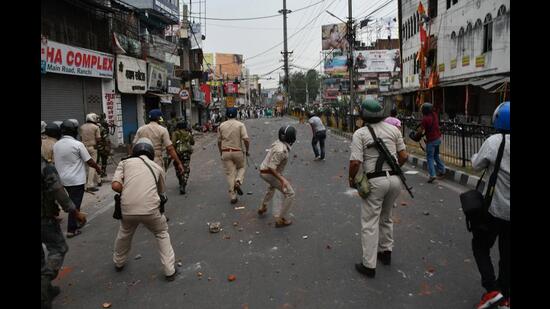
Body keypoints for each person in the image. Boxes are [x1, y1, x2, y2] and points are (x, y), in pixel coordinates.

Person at [348, 99, 409, 278]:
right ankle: (386, 252)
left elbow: (355, 162)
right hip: (395, 181)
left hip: (375, 182)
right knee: (387, 216)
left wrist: (352, 178)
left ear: (363, 115)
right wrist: (394, 167)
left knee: (370, 222)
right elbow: (404, 155)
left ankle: (369, 264)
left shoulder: (360, 133)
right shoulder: (393, 130)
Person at [111, 138, 178, 281]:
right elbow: (161, 192)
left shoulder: (124, 163)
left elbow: (116, 186)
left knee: (124, 233)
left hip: (127, 209)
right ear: (151, 153)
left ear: (134, 151)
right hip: (151, 210)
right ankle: (169, 270)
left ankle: (118, 262)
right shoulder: (157, 167)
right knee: (161, 233)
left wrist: (128, 191)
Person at [469, 102, 510, 309]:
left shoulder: (495, 141)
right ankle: (505, 294)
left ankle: (492, 290)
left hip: (495, 208)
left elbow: (476, 165)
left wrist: (477, 157)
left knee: (480, 246)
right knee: (507, 254)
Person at [41, 154, 87, 309]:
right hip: (44, 218)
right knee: (58, 248)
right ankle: (44, 283)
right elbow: (58, 192)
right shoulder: (45, 167)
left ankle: (47, 289)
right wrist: (74, 212)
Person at [53, 119, 102, 238]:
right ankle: (72, 229)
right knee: (74, 204)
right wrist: (98, 168)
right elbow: (89, 161)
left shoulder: (56, 144)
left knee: (70, 202)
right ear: (74, 130)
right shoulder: (77, 144)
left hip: (62, 179)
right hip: (76, 180)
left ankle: (78, 220)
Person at [258, 125, 297, 227]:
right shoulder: (281, 151)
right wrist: (282, 180)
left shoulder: (279, 142)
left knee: (272, 187)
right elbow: (272, 167)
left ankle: (263, 206)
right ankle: (280, 219)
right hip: (268, 172)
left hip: (264, 170)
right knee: (290, 193)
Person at [133, 109, 184, 175]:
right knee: (160, 182)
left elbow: (134, 145)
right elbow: (170, 148)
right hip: (156, 160)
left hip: (142, 161)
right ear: (159, 118)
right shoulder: (162, 129)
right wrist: (179, 163)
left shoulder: (141, 129)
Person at [218, 107, 250, 204]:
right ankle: (238, 181)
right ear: (237, 115)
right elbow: (246, 139)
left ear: (226, 115)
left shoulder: (221, 126)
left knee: (230, 174)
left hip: (225, 152)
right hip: (238, 152)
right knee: (242, 167)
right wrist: (247, 150)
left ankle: (233, 196)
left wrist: (221, 152)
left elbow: (219, 142)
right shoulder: (240, 125)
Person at [415, 102, 445, 183]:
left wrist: (417, 135)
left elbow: (421, 131)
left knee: (430, 157)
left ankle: (432, 175)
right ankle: (442, 170)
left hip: (431, 140)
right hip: (438, 138)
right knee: (436, 155)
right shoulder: (434, 114)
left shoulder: (425, 119)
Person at [80, 113, 102, 191]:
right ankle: (89, 185)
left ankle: (99, 180)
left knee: (90, 164)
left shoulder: (82, 127)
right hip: (93, 148)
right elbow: (98, 139)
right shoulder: (96, 127)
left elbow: (80, 137)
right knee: (92, 165)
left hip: (83, 148)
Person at [172, 121, 195, 194]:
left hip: (178, 153)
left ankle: (180, 181)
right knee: (186, 168)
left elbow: (173, 143)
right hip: (187, 153)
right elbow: (192, 142)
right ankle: (184, 183)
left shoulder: (175, 133)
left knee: (177, 166)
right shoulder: (188, 133)